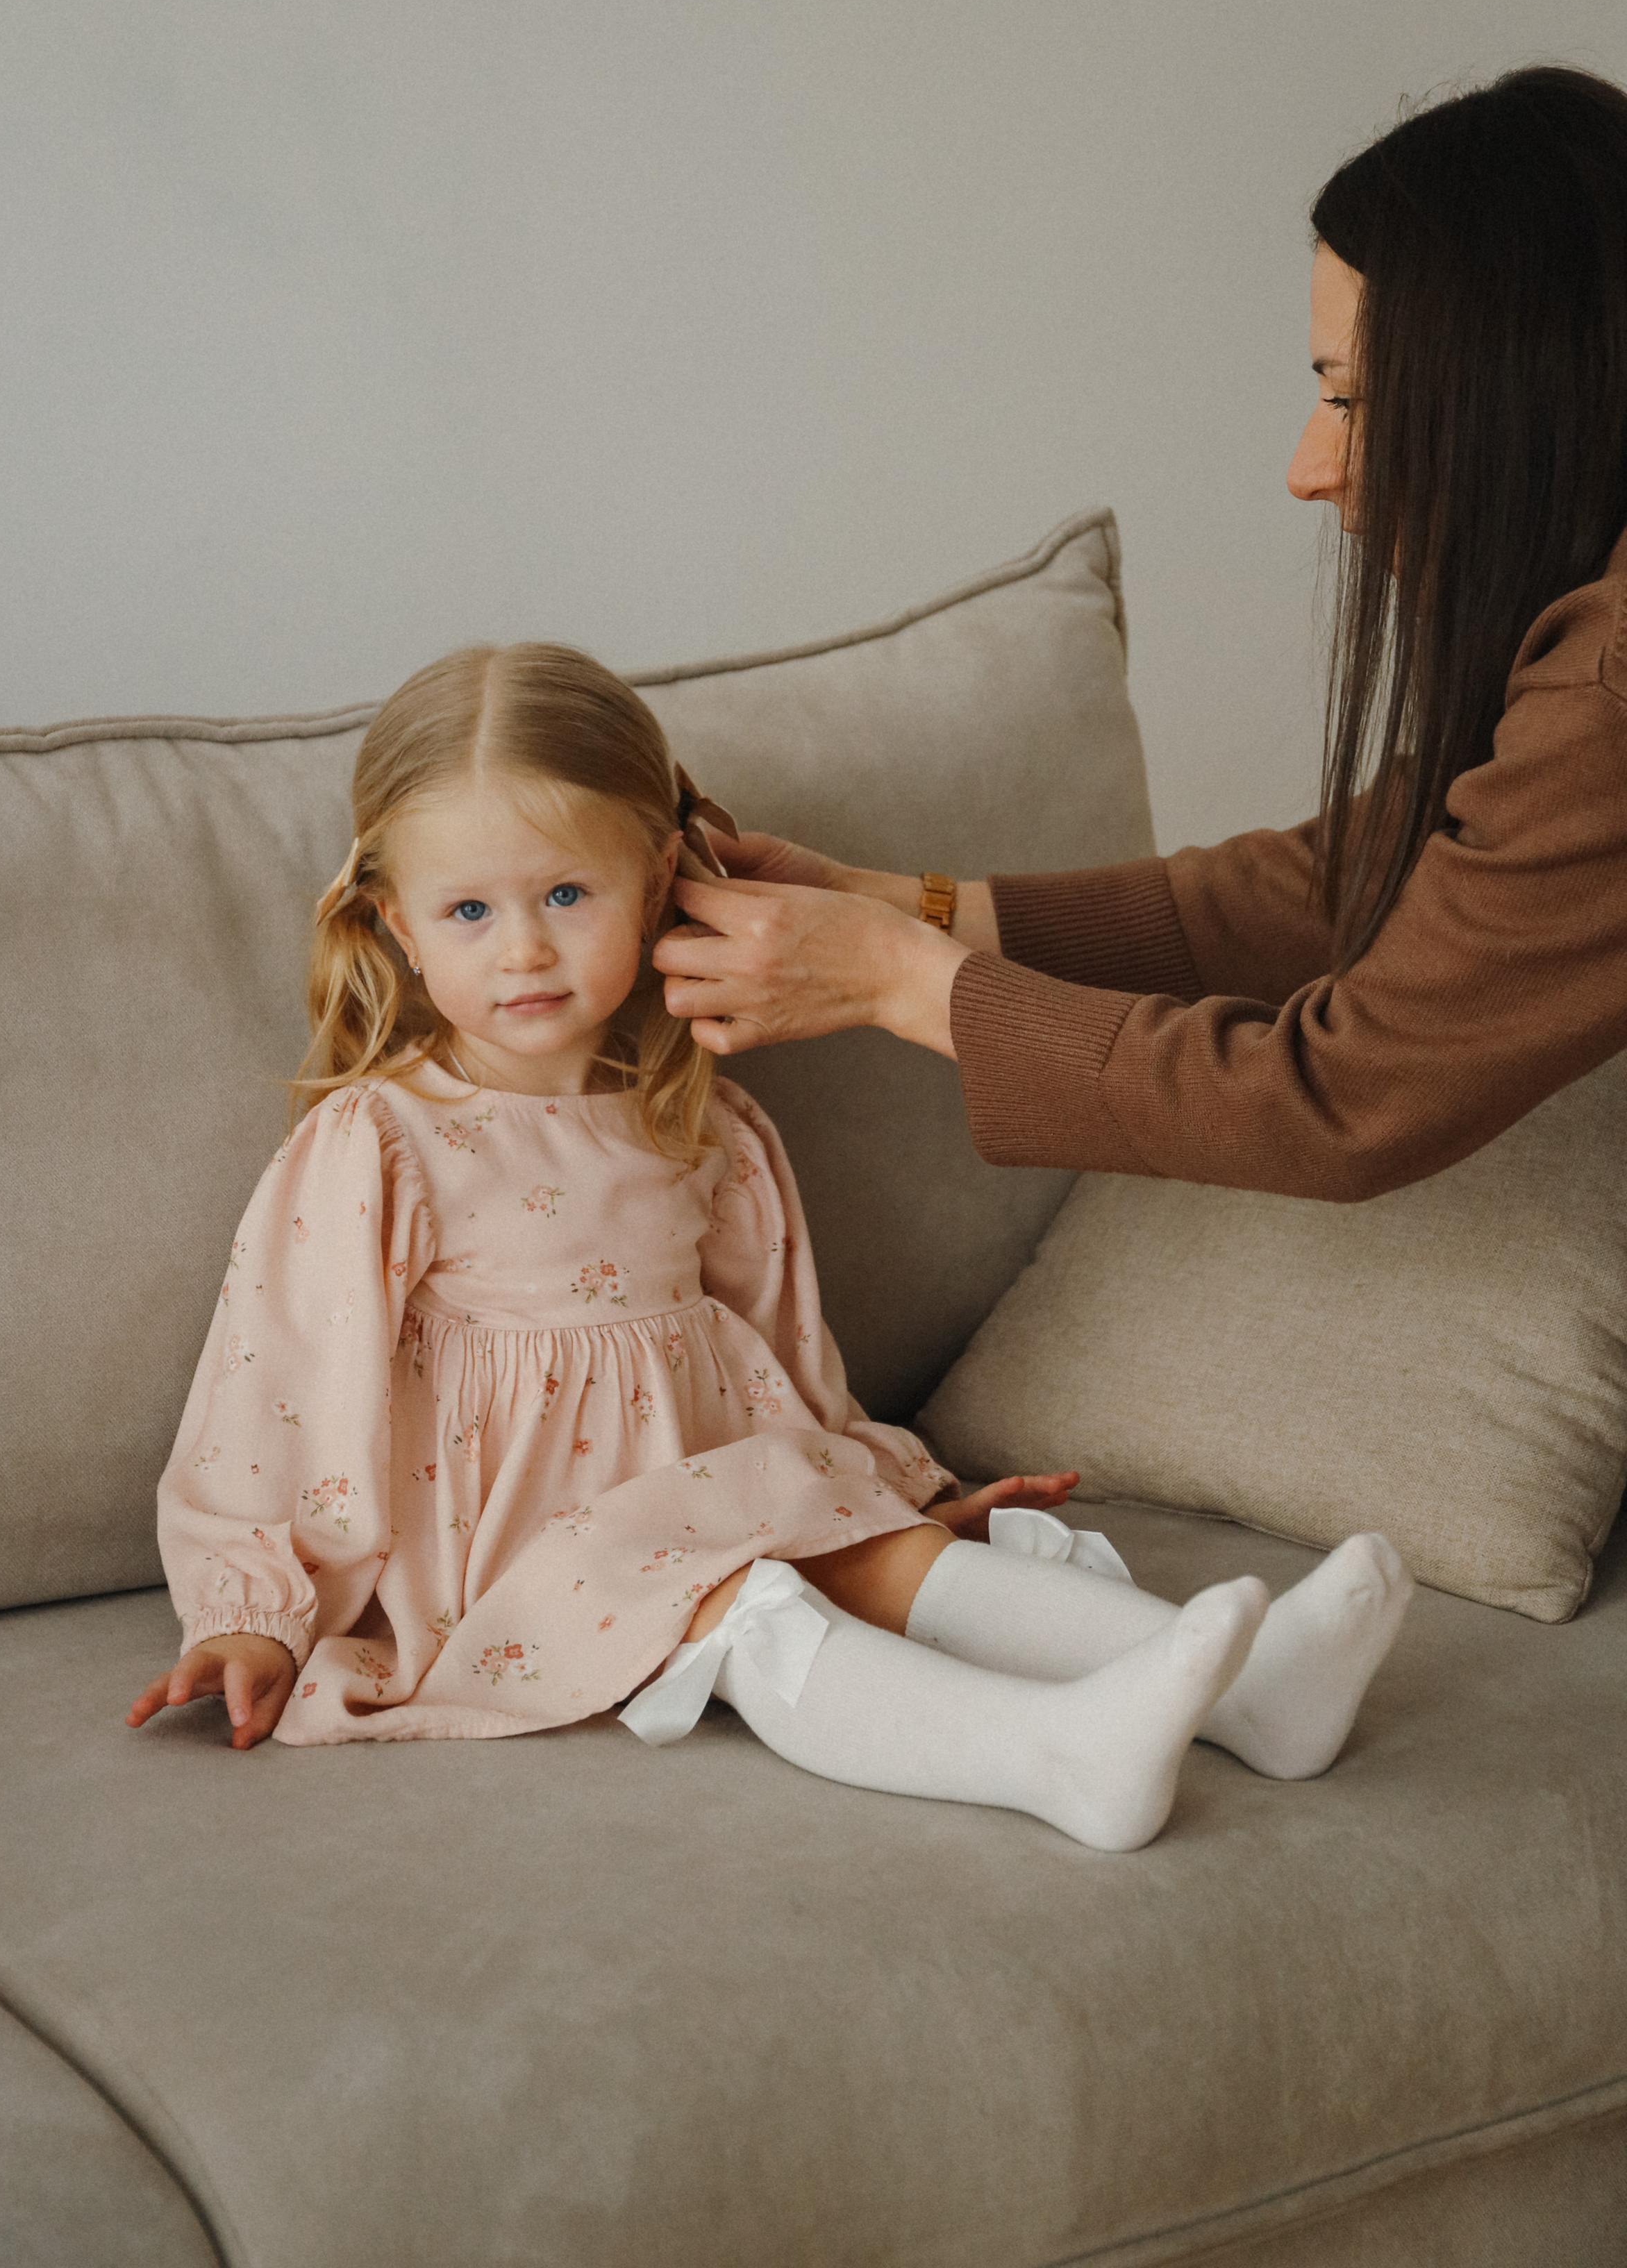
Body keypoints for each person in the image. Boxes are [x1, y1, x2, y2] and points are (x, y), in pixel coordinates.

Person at [126, 641, 1410, 1850]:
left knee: (882, 1551)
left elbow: (785, 1365)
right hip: (525, 1556)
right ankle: (1051, 1757)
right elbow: (280, 1381)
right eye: (468, 910)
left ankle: (1252, 1690)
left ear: (657, 885)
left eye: (567, 894)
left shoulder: (707, 1123)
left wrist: (880, 1486)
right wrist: (256, 1620)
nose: (522, 948)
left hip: (715, 1496)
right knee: (755, 1607)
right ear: (399, 927)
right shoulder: (384, 1139)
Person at [654, 65, 1627, 1204]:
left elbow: (1336, 1102)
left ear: (1528, 390)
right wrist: (894, 904)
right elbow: (1348, 882)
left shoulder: (1609, 691)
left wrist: (898, 982)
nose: (1308, 470)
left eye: (1352, 398)